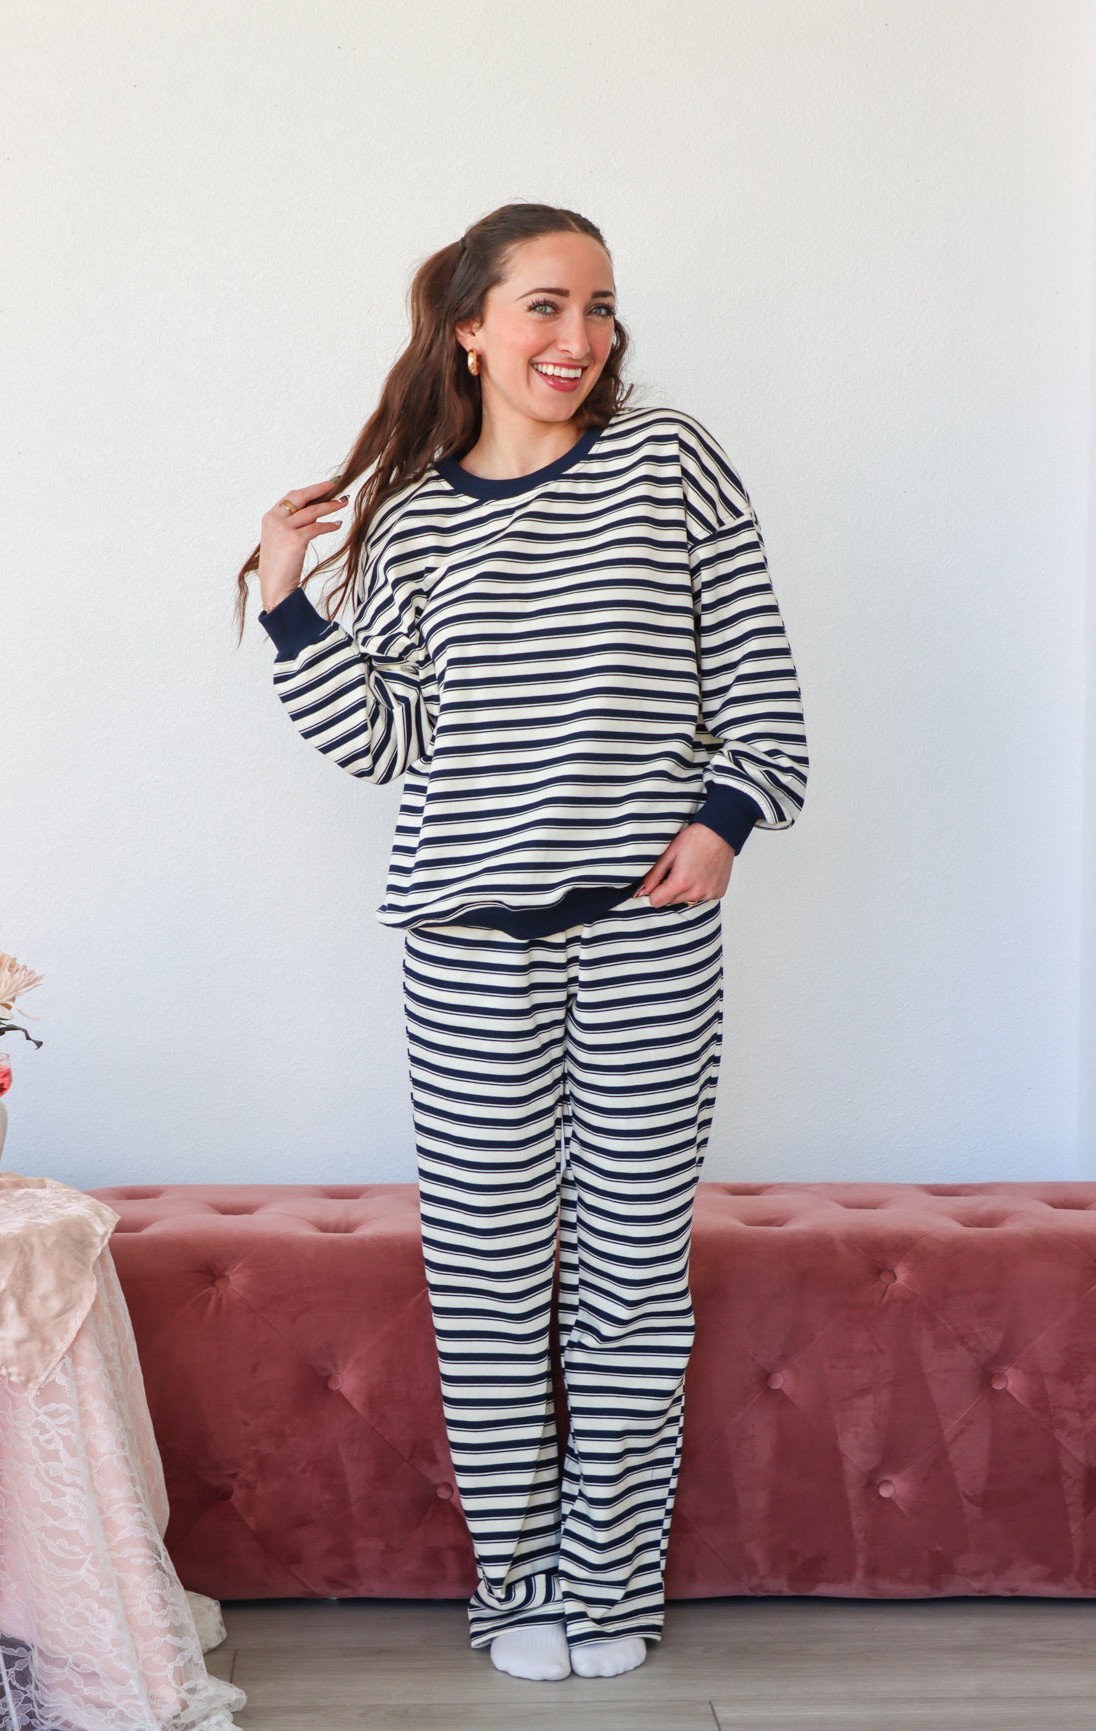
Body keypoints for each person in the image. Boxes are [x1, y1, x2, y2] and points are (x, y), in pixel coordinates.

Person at [235, 201, 808, 1683]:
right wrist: (288, 598)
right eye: (546, 306)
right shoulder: (415, 521)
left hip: (647, 931)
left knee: (631, 1272)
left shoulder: (668, 460)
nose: (579, 337)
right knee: (488, 1281)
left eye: (599, 307)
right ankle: (517, 1591)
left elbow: (755, 673)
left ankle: (609, 1585)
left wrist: (723, 822)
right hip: (464, 944)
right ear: (472, 330)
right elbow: (386, 739)